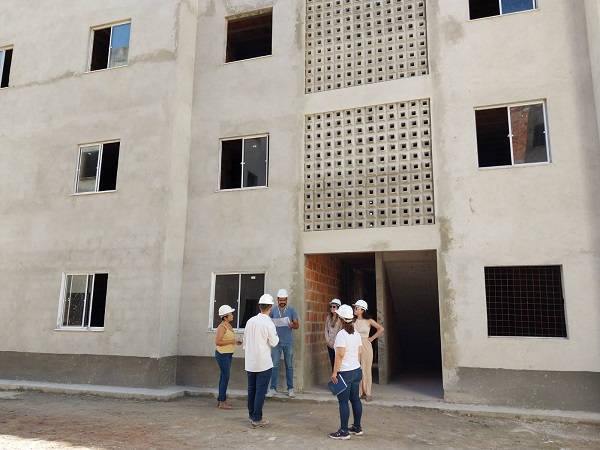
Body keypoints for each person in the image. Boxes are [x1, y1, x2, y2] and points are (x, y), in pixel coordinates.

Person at [244, 293, 279, 428]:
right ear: (270, 307)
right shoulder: (268, 323)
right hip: (263, 363)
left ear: (260, 307)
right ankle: (257, 418)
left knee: (251, 389)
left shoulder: (250, 321)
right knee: (260, 391)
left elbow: (246, 343)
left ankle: (252, 414)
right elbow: (274, 342)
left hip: (250, 362)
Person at [329, 304, 363, 440]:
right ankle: (357, 427)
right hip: (356, 370)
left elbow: (340, 355)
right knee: (355, 399)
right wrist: (357, 365)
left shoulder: (342, 335)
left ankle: (344, 431)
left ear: (340, 319)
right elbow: (360, 351)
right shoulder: (356, 334)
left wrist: (334, 372)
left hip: (345, 372)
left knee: (343, 402)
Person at [267, 288, 299, 398]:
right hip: (276, 342)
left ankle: (290, 389)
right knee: (274, 365)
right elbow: (268, 322)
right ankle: (272, 389)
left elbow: (297, 325)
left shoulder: (291, 310)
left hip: (288, 342)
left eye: (284, 300)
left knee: (289, 366)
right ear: (277, 299)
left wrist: (292, 325)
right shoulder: (273, 310)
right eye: (280, 300)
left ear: (287, 299)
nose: (282, 302)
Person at [353, 299, 384, 402]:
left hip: (366, 345)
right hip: (355, 345)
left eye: (357, 308)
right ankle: (359, 392)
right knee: (357, 369)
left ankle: (368, 393)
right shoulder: (353, 321)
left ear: (362, 310)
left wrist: (372, 338)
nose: (355, 309)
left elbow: (381, 328)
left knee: (366, 369)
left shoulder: (369, 320)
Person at [214, 304, 242, 409]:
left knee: (223, 377)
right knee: (225, 377)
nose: (232, 315)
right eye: (230, 314)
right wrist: (232, 341)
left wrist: (235, 342)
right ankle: (222, 401)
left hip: (228, 354)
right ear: (225, 316)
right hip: (222, 355)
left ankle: (221, 399)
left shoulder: (228, 325)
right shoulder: (222, 327)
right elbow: (217, 342)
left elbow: (228, 340)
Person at [324, 298, 342, 369]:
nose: (332, 308)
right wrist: (328, 341)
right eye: (331, 306)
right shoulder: (328, 317)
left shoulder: (340, 319)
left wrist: (333, 342)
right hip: (329, 344)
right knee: (332, 362)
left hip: (336, 344)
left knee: (337, 363)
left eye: (334, 306)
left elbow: (340, 331)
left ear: (338, 307)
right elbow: (326, 329)